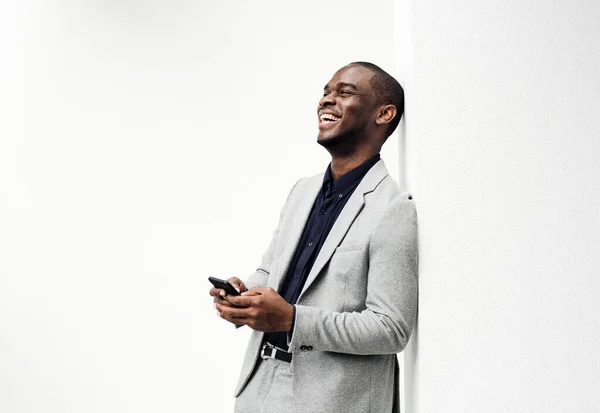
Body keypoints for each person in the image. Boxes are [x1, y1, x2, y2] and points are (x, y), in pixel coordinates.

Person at [210, 62, 418, 413]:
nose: (327, 100)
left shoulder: (392, 208)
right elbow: (270, 271)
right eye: (325, 92)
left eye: (344, 92)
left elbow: (391, 328)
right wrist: (244, 297)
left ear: (384, 113)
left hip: (334, 400)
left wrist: (292, 319)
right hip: (258, 386)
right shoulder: (301, 192)